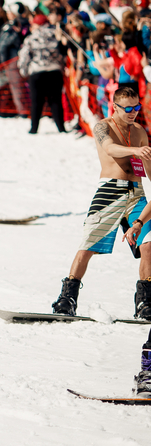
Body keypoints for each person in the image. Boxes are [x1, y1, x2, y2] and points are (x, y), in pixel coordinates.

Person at [51, 87, 151, 319]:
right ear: (115, 106)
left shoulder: (139, 131)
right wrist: (135, 150)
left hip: (136, 193)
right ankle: (67, 298)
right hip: (109, 190)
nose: (133, 112)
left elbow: (148, 169)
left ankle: (145, 302)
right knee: (88, 245)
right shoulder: (102, 126)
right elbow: (110, 148)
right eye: (128, 108)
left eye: (136, 107)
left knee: (148, 244)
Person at [18, 14, 67, 134]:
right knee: (56, 100)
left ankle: (34, 128)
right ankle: (61, 127)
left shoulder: (31, 38)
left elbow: (24, 56)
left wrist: (23, 71)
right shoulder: (56, 35)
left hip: (37, 72)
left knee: (36, 101)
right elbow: (62, 53)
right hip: (54, 71)